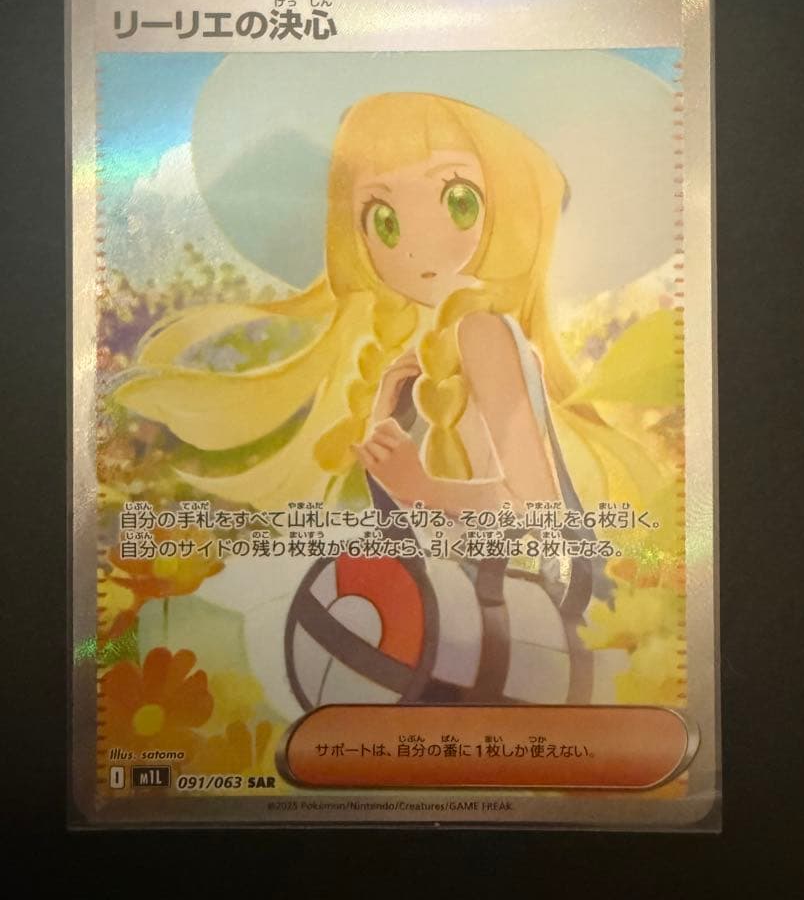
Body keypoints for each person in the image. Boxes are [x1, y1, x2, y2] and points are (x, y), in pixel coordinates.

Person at [114, 91, 659, 707]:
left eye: (457, 200)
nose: (415, 246)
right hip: (466, 612)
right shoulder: (422, 357)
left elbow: (536, 509)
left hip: (512, 616)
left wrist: (419, 486)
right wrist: (389, 439)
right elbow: (428, 521)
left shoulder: (483, 332)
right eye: (384, 220)